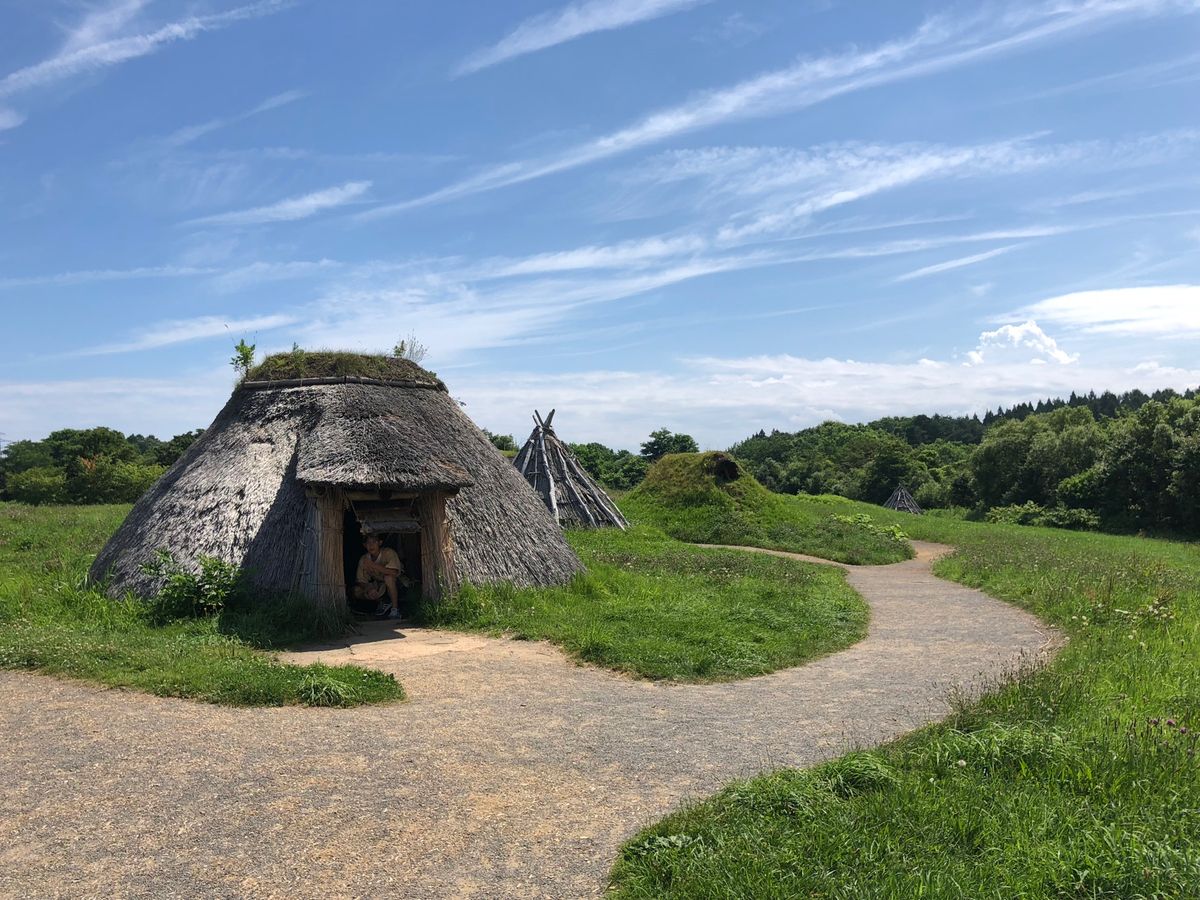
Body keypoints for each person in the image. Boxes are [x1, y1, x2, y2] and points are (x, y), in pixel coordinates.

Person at [353, 533, 406, 619]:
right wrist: (369, 589)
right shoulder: (364, 559)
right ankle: (383, 602)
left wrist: (373, 565)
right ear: (364, 545)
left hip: (398, 583)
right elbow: (360, 580)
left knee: (388, 578)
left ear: (380, 543)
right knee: (357, 591)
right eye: (368, 543)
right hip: (380, 585)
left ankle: (395, 609)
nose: (371, 545)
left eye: (374, 542)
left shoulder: (388, 553)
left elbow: (393, 572)